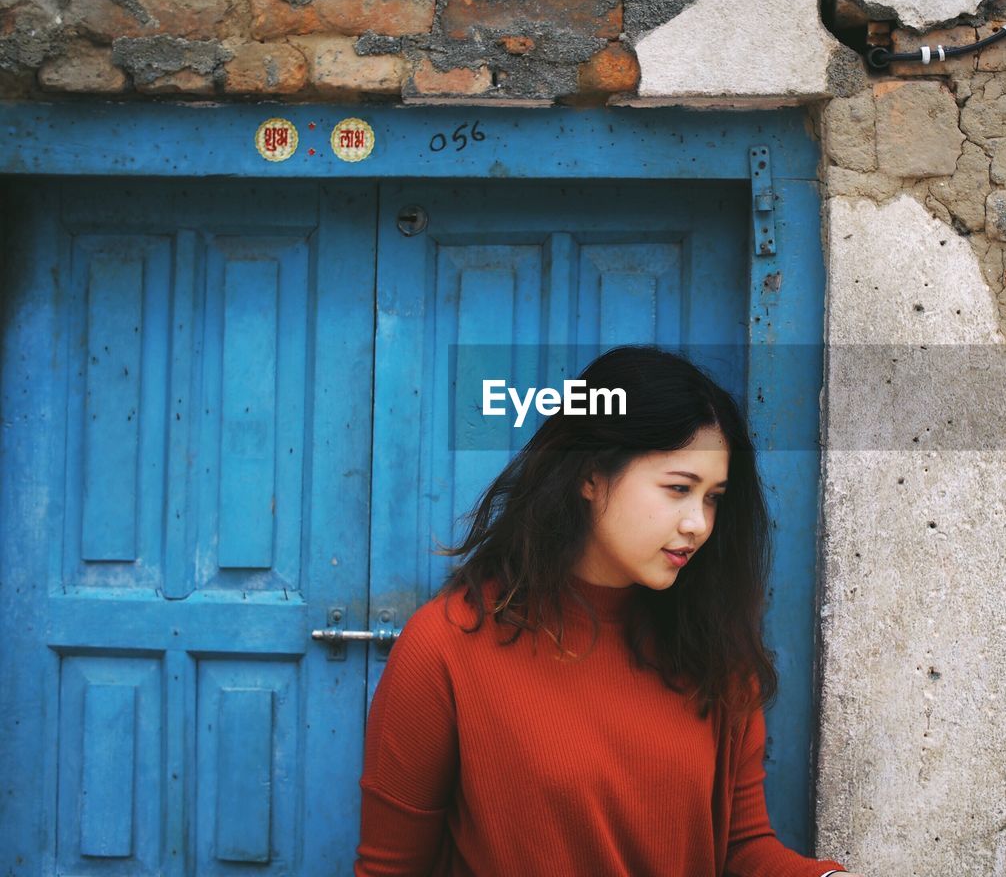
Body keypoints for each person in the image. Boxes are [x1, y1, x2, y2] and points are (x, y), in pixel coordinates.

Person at [354, 345, 858, 877]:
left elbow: (739, 847)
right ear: (591, 476)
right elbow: (390, 869)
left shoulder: (713, 649)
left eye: (713, 497)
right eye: (679, 489)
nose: (699, 524)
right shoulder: (447, 647)